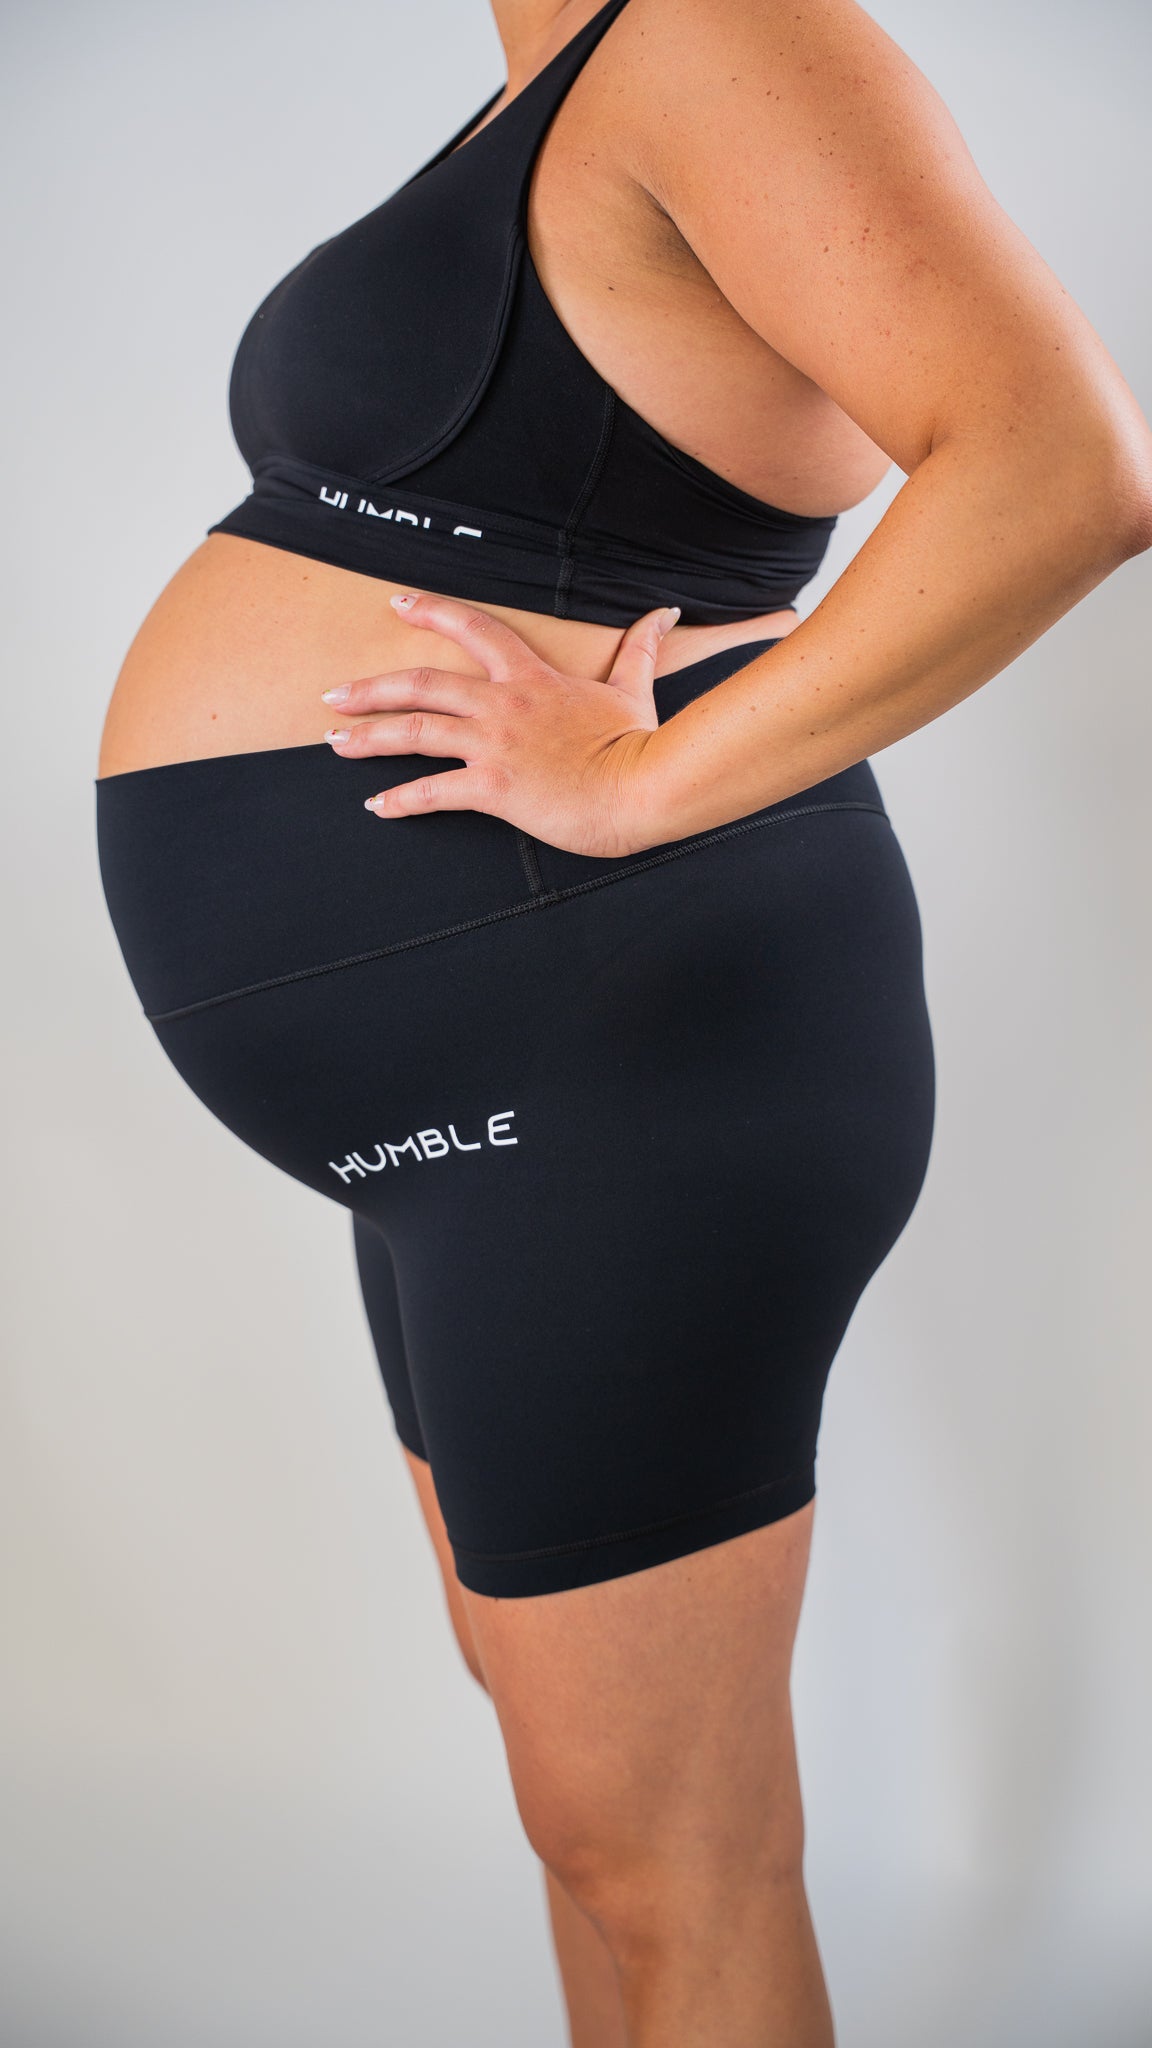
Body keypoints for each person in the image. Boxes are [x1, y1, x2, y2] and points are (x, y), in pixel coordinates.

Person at [93, 1, 1152, 2042]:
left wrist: (641, 781)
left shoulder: (718, 29)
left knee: (676, 1856)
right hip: (486, 1077)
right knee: (592, 1831)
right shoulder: (543, 85)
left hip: (613, 1048)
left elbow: (1065, 464)